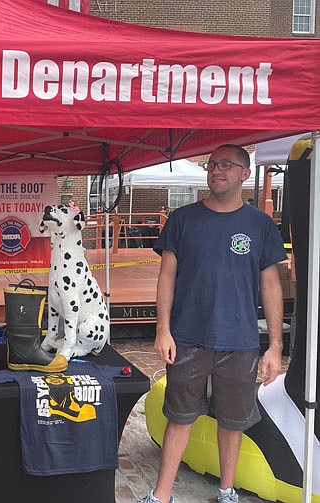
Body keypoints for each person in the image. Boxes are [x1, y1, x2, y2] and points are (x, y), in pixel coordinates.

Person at [138, 144, 285, 503]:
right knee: (179, 417)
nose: (216, 170)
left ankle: (226, 491)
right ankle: (161, 496)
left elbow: (271, 285)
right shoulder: (183, 219)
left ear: (245, 174)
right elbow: (167, 277)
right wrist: (162, 329)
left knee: (233, 422)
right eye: (211, 164)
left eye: (226, 165)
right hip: (188, 338)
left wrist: (276, 346)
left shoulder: (261, 225)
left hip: (240, 340)